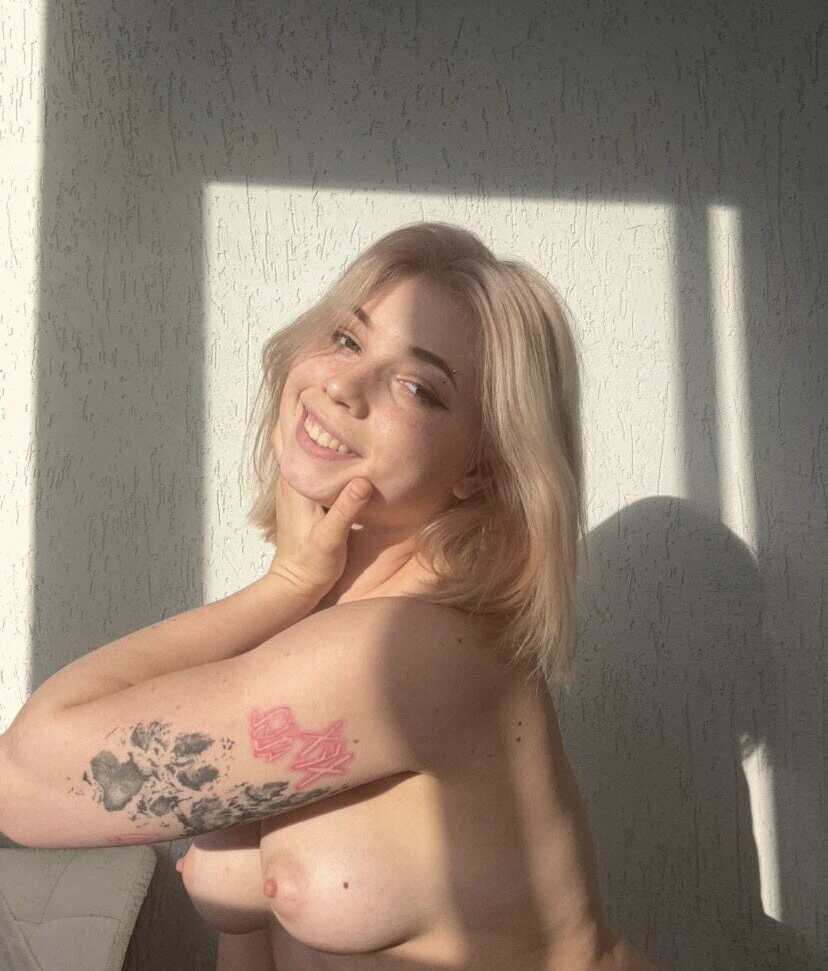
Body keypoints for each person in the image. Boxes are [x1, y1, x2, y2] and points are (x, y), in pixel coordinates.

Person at [175, 222, 661, 971]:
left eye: (417, 386)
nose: (344, 386)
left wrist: (282, 585)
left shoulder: (420, 643)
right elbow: (247, 939)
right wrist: (286, 586)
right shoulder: (297, 625)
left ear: (479, 467)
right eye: (345, 339)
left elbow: (24, 771)